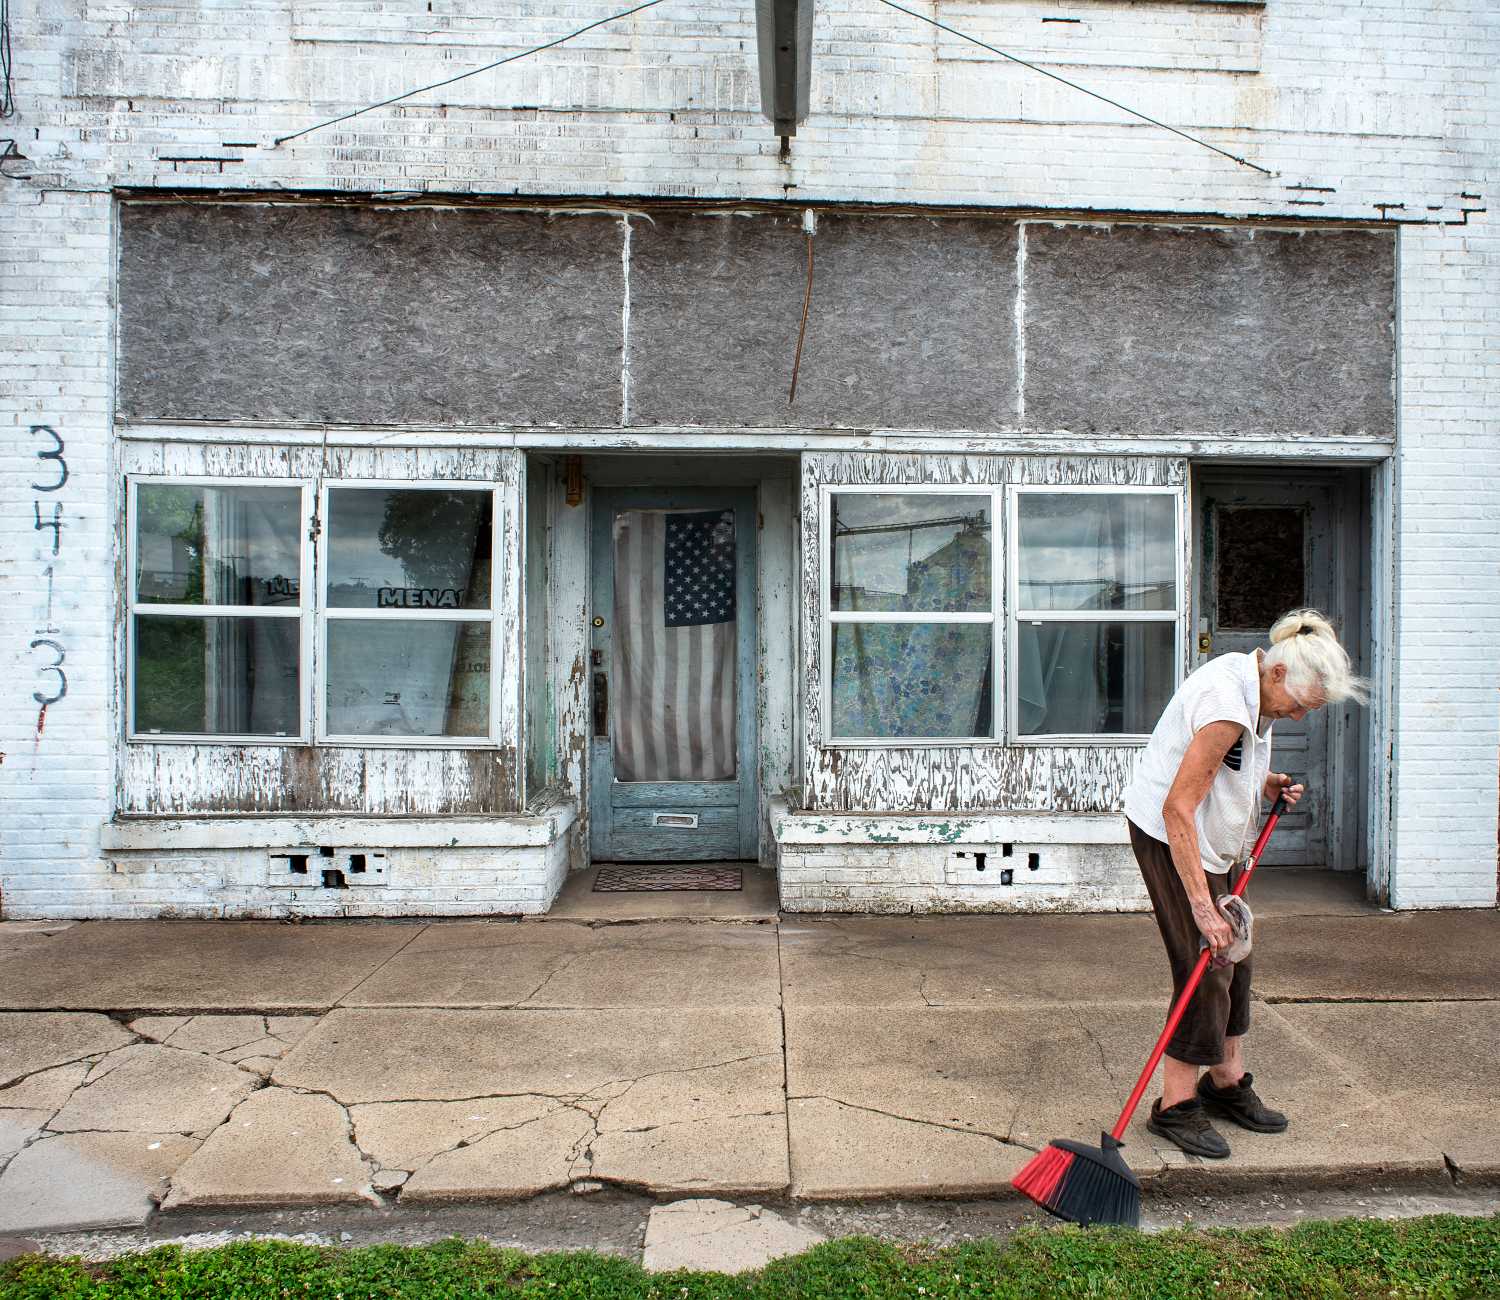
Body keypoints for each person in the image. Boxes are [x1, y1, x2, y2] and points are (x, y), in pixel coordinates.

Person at [1121, 609, 1366, 1158]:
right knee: (1206, 961)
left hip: (1212, 834)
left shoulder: (1258, 679)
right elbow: (1177, 808)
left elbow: (1228, 764)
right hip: (1174, 837)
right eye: (1300, 705)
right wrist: (1203, 909)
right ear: (1278, 675)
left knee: (1239, 956)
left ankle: (1226, 1083)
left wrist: (1267, 781)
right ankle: (1175, 1107)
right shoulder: (1226, 704)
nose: (1299, 717)